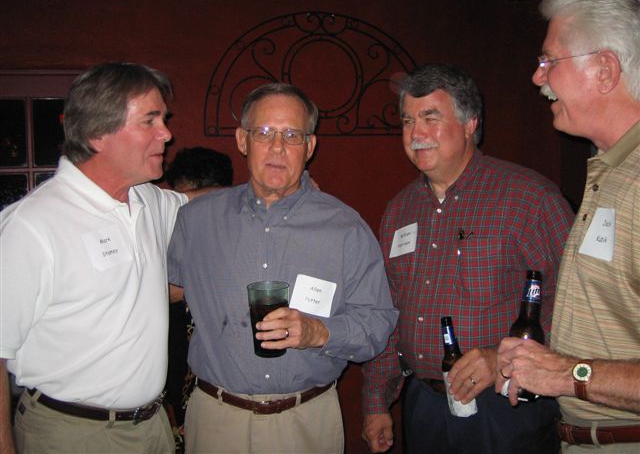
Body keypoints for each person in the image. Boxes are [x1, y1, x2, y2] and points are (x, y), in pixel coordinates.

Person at [167, 82, 398, 453]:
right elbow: (163, 293)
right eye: (264, 133)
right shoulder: (196, 221)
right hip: (216, 421)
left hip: (307, 421)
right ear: (242, 140)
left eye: (292, 135)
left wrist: (319, 332)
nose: (277, 147)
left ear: (310, 146)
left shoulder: (345, 228)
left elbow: (377, 324)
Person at [361, 63, 575, 453]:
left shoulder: (528, 198)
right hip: (424, 404)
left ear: (469, 123)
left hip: (505, 404)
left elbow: (573, 301)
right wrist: (378, 399)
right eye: (408, 121)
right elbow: (389, 309)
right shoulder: (399, 210)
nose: (416, 133)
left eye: (431, 118)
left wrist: (505, 359)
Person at [0, 62, 187, 454]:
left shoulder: (147, 199)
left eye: (163, 119)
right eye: (150, 120)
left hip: (151, 426)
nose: (167, 133)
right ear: (98, 133)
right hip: (72, 434)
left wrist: (270, 192)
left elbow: (203, 207)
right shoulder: (33, 226)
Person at [495, 0, 640, 452]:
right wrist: (543, 361)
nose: (537, 77)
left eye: (549, 61)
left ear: (604, 69)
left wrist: (567, 373)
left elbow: (575, 372)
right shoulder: (610, 169)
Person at [163, 147, 233, 452]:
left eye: (184, 192)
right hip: (177, 374)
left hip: (219, 384)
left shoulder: (237, 228)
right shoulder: (176, 232)